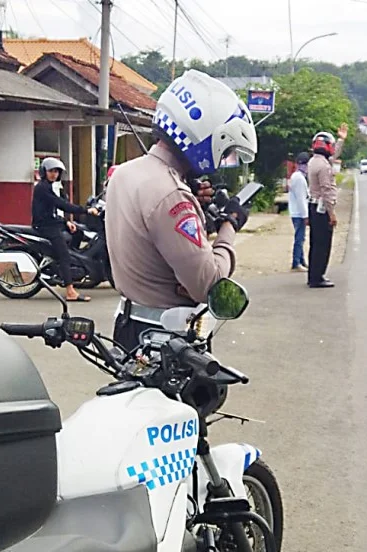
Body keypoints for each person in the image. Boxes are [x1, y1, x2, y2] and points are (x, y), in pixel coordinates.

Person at [105, 69, 256, 351]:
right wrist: (229, 226)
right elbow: (209, 284)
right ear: (207, 134)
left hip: (129, 327)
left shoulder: (125, 173)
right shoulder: (172, 196)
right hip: (167, 341)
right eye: (224, 149)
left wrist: (195, 208)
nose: (223, 159)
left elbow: (148, 241)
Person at [32, 157, 100, 303]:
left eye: (56, 172)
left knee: (78, 232)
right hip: (45, 227)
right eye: (51, 171)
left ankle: (73, 266)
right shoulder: (42, 188)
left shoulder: (49, 186)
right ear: (44, 172)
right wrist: (86, 210)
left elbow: (53, 209)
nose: (54, 174)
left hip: (52, 222)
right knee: (64, 255)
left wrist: (66, 222)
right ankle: (70, 291)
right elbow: (61, 204)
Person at [307, 124, 348, 289]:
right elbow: (327, 192)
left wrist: (341, 140)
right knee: (323, 245)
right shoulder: (324, 167)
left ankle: (313, 275)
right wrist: (332, 214)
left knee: (315, 244)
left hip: (313, 206)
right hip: (321, 208)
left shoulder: (314, 161)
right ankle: (318, 277)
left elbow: (334, 155)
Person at [287, 153, 310, 272]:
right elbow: (301, 199)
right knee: (299, 238)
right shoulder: (299, 179)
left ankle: (301, 260)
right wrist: (306, 216)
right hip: (299, 213)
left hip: (295, 211)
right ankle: (296, 263)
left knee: (301, 237)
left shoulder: (296, 176)